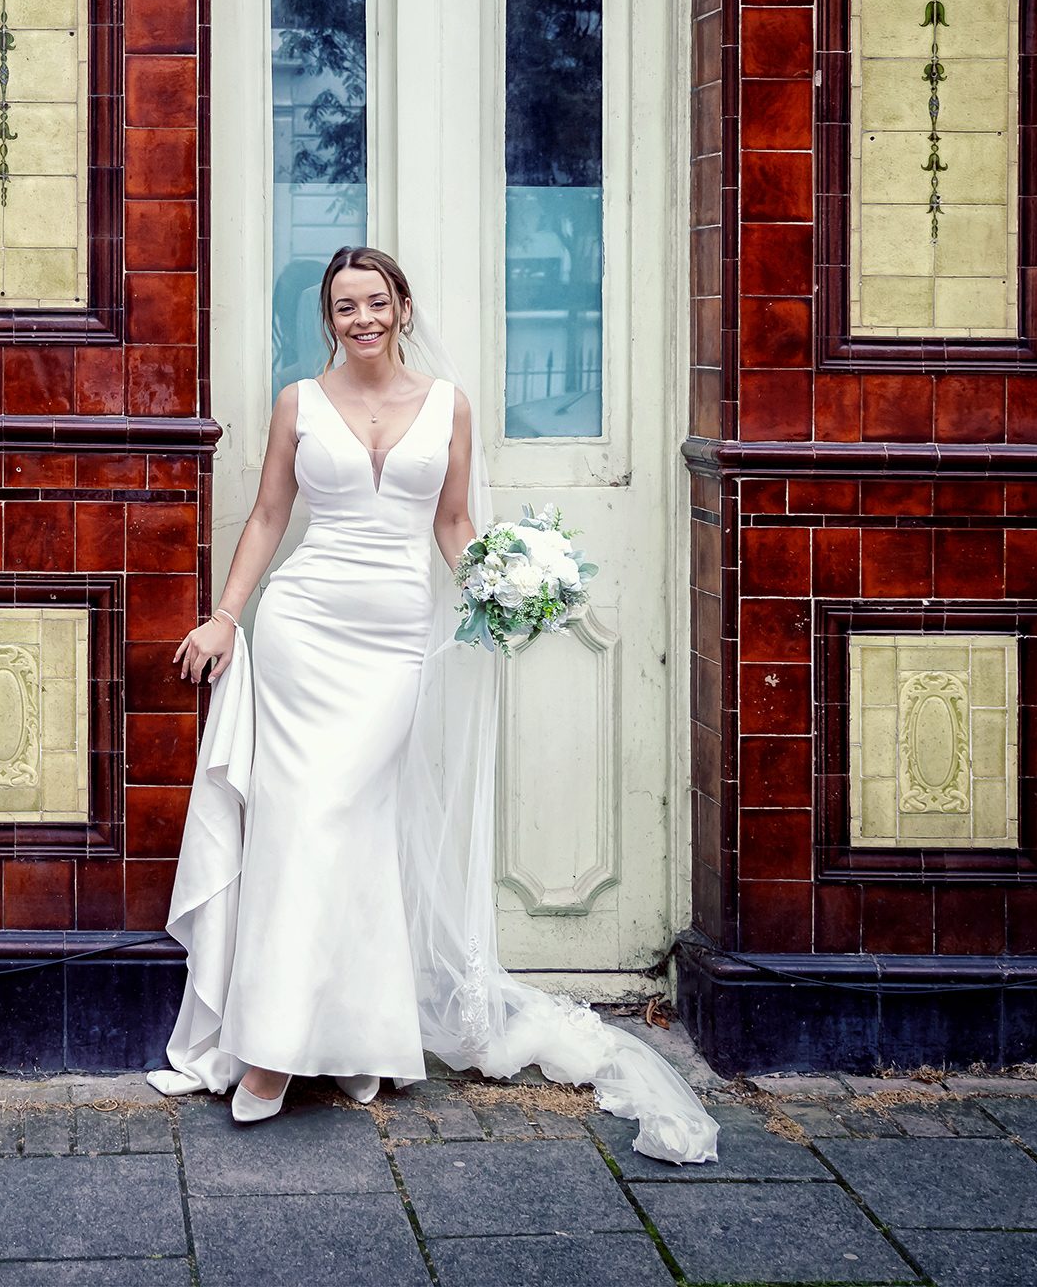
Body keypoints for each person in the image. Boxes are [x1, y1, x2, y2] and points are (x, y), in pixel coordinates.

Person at [150, 246, 716, 1165]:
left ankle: (360, 1036)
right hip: (304, 630)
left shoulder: (448, 405)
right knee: (301, 824)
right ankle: (270, 1052)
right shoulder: (299, 400)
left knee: (355, 824)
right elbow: (266, 516)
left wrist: (500, 590)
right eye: (344, 305)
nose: (361, 317)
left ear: (403, 307)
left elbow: (454, 524)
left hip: (392, 647)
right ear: (328, 318)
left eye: (376, 301)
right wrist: (224, 617)